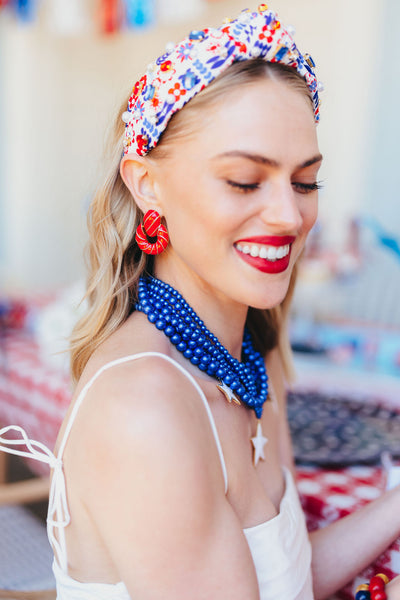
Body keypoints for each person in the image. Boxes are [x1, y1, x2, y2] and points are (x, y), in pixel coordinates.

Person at [1, 5, 400, 600]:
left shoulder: (252, 360)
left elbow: (287, 577)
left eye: (305, 181)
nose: (290, 216)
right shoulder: (145, 407)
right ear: (146, 183)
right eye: (244, 180)